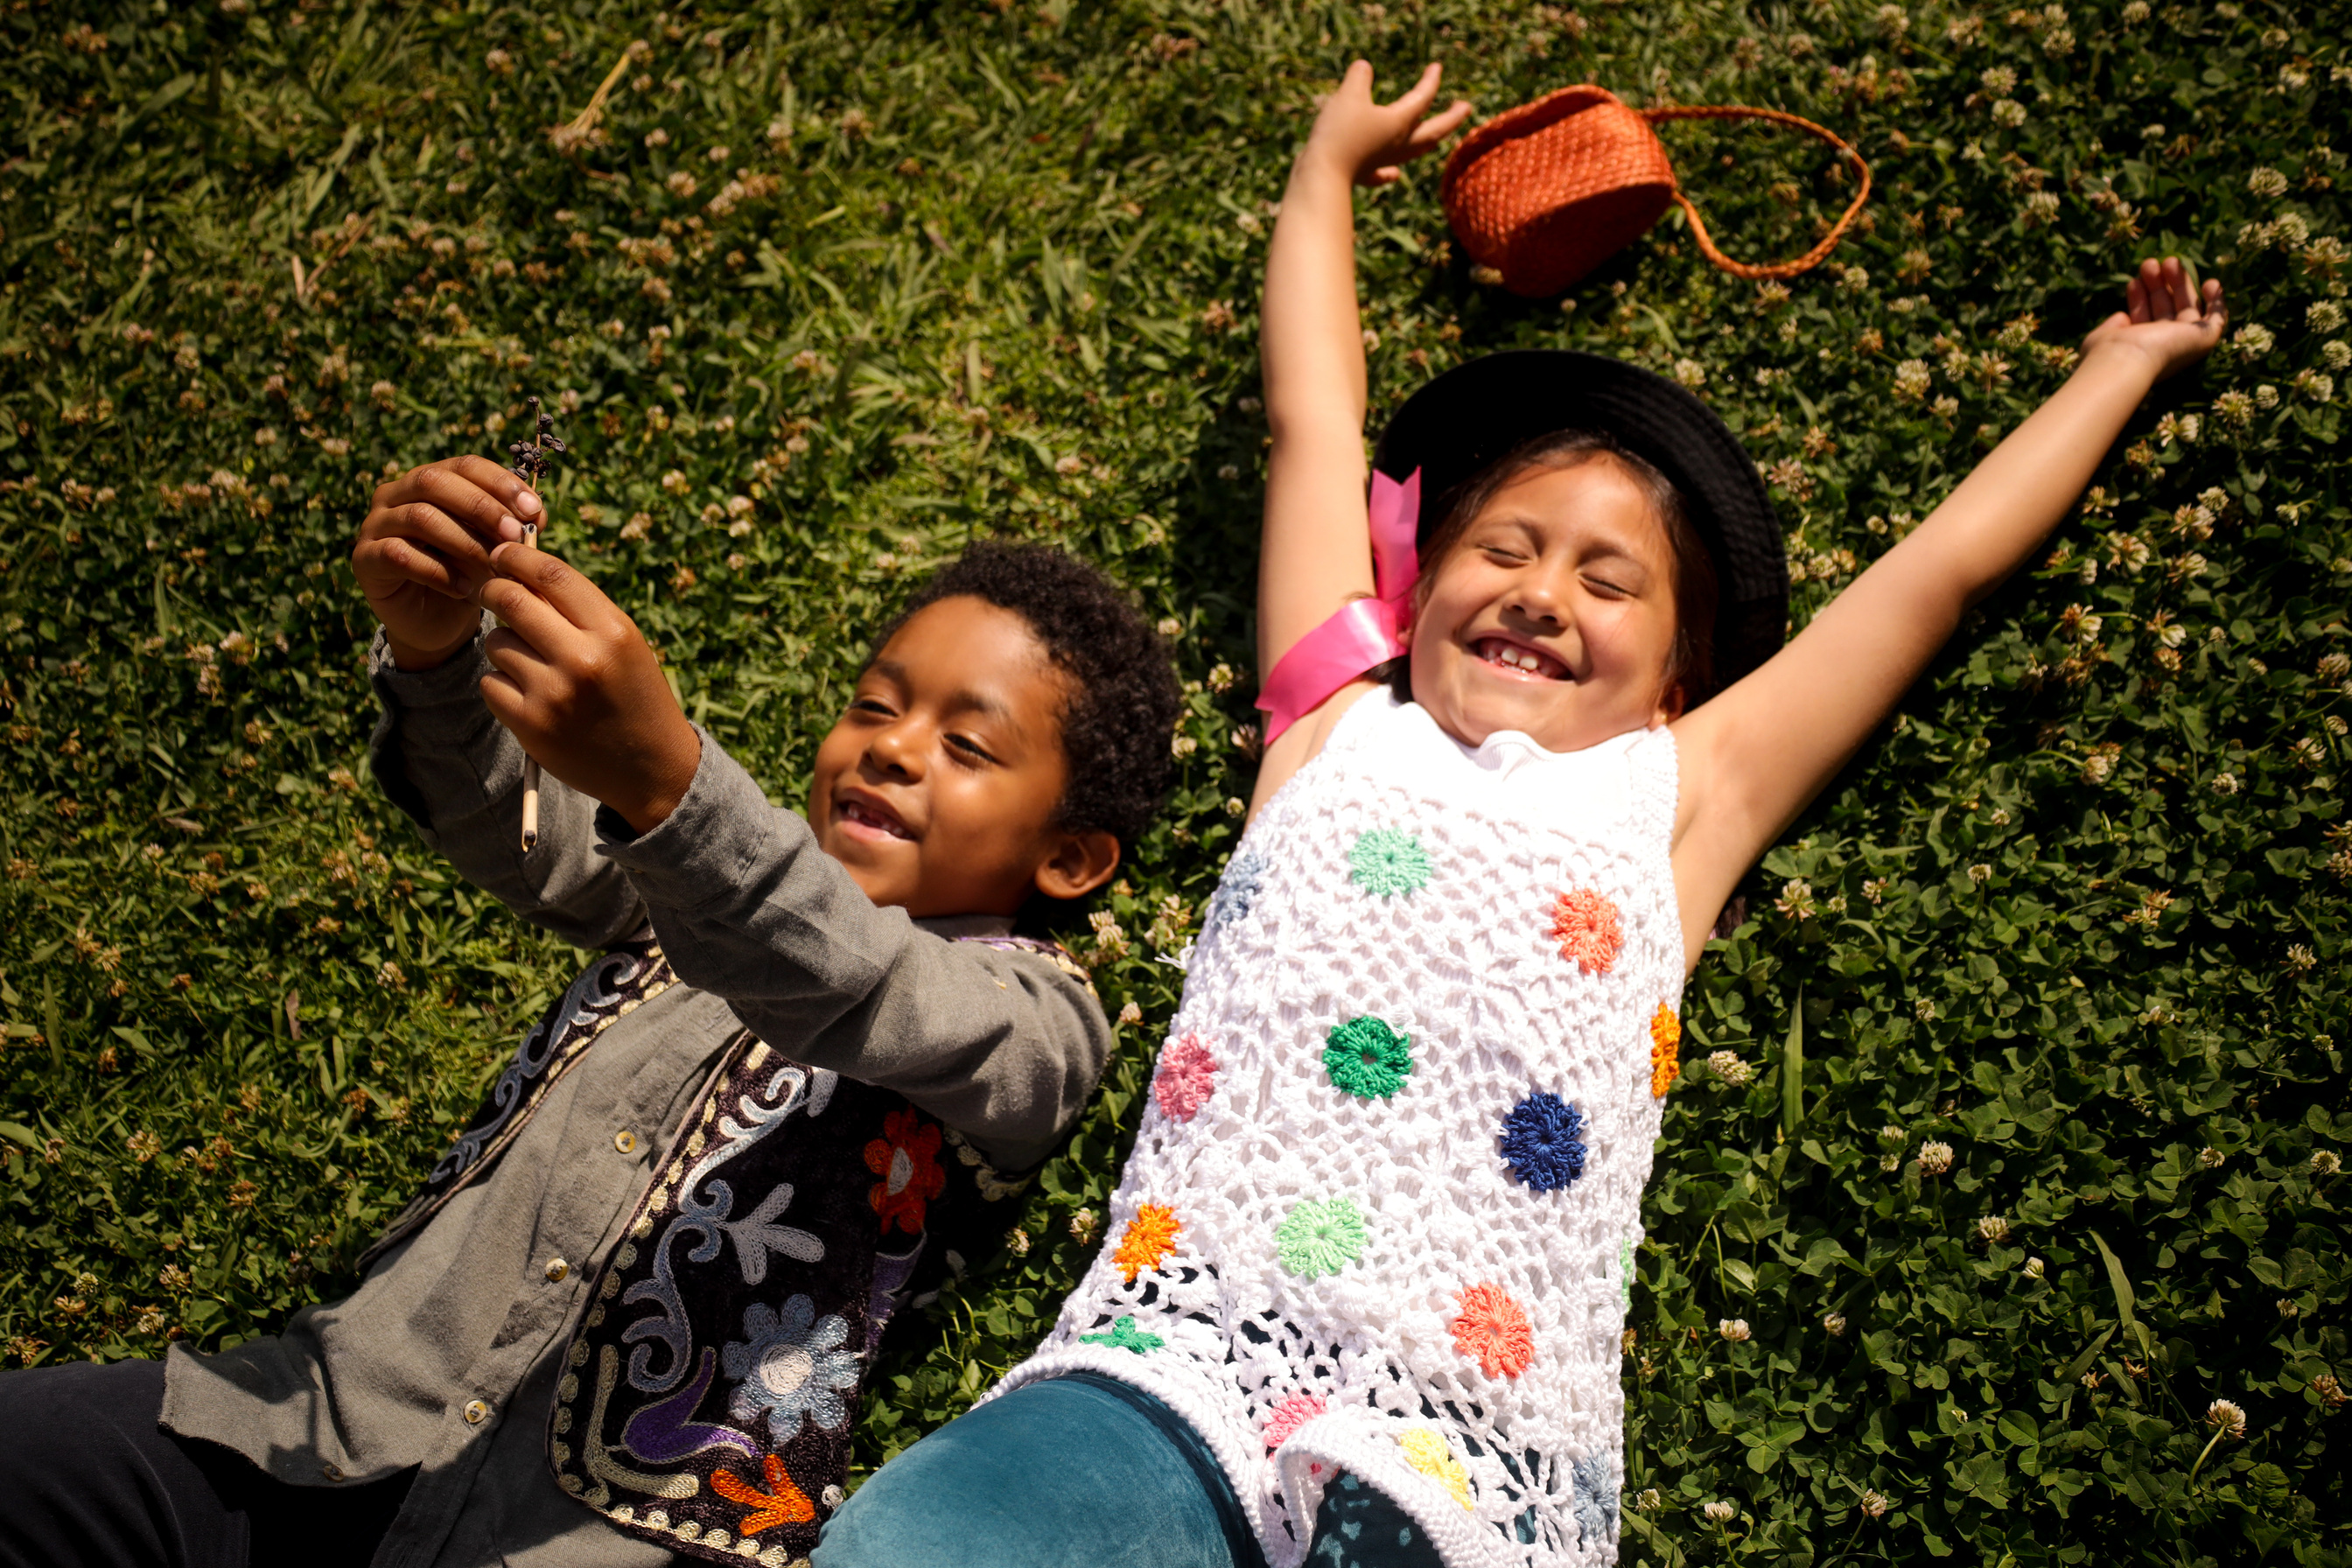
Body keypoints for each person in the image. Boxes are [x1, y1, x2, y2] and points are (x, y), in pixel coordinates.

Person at [807, 59, 2227, 1568]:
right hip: (1179, 1368)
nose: (1543, 593)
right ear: (1414, 596)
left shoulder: (1688, 795)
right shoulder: (1333, 722)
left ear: (1680, 679)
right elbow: (1312, 422)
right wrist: (1324, 175)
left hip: (1470, 1443)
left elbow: (1930, 581)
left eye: (1608, 583)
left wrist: (2119, 368)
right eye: (1504, 549)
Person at [0, 462, 1182, 1568]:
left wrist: (674, 783)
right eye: (875, 706)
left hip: (595, 1540)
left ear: (1071, 859)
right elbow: (512, 822)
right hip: (327, 1422)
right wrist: (437, 656)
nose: (893, 751)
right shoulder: (672, 890)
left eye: (966, 744)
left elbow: (870, 989)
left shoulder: (1038, 1019)